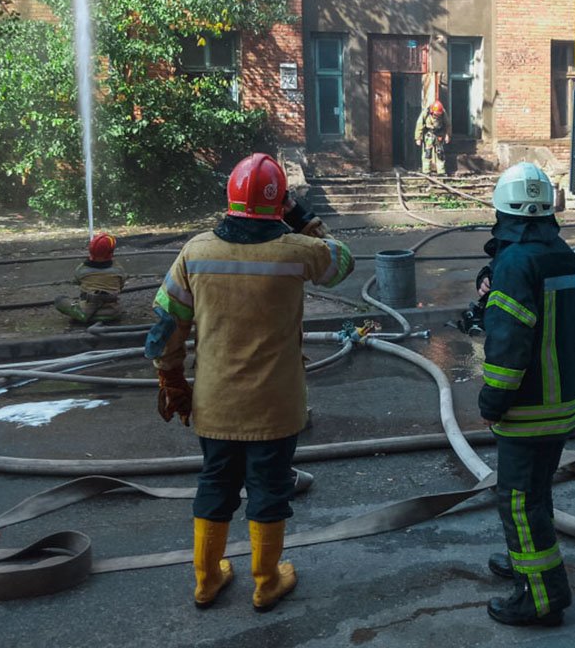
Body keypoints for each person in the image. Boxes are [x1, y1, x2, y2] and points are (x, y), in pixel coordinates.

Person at [147, 153, 354, 612]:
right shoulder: (297, 252)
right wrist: (304, 219)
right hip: (275, 406)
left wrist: (171, 375)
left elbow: (166, 323)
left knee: (215, 483)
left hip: (215, 402)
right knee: (270, 487)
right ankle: (266, 582)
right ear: (279, 204)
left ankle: (207, 580)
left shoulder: (195, 252)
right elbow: (343, 262)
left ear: (230, 199)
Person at [477, 162, 575, 627]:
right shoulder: (559, 252)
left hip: (528, 407)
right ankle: (527, 564)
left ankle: (540, 597)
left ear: (502, 209)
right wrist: (493, 274)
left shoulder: (516, 263)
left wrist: (493, 400)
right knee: (536, 496)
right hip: (560, 403)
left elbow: (509, 342)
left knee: (519, 501)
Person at [53, 232, 128, 324]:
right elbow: (121, 285)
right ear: (111, 252)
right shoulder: (118, 270)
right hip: (112, 313)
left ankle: (79, 316)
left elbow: (77, 281)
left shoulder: (82, 269)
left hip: (86, 313)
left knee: (60, 300)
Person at [413, 99, 450, 175]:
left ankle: (441, 172)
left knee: (440, 153)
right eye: (436, 114)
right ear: (432, 111)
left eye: (439, 115)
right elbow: (419, 124)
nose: (437, 116)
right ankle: (426, 171)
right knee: (427, 153)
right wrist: (418, 138)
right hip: (429, 134)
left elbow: (447, 124)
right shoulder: (426, 112)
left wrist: (447, 135)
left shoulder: (443, 113)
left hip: (439, 133)